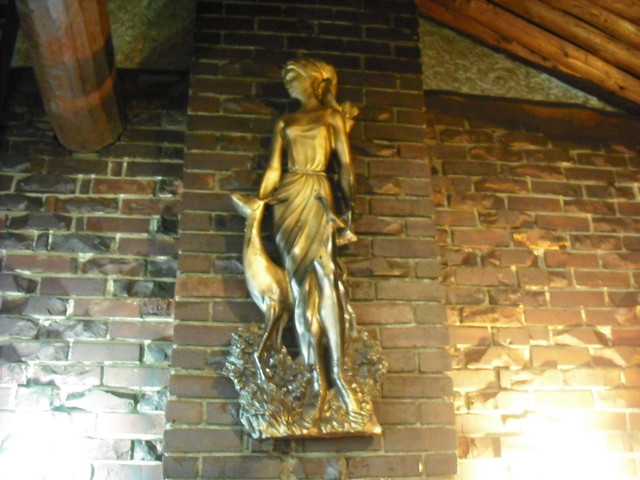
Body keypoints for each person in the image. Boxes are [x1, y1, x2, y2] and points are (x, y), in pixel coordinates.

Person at [258, 58, 359, 424]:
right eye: (285, 78)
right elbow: (274, 167)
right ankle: (316, 379)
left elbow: (345, 167)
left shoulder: (331, 118)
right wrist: (259, 205)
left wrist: (349, 210)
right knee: (301, 288)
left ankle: (339, 375)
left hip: (318, 194)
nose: (287, 83)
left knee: (326, 279)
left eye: (293, 77)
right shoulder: (285, 122)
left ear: (314, 81)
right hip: (288, 198)